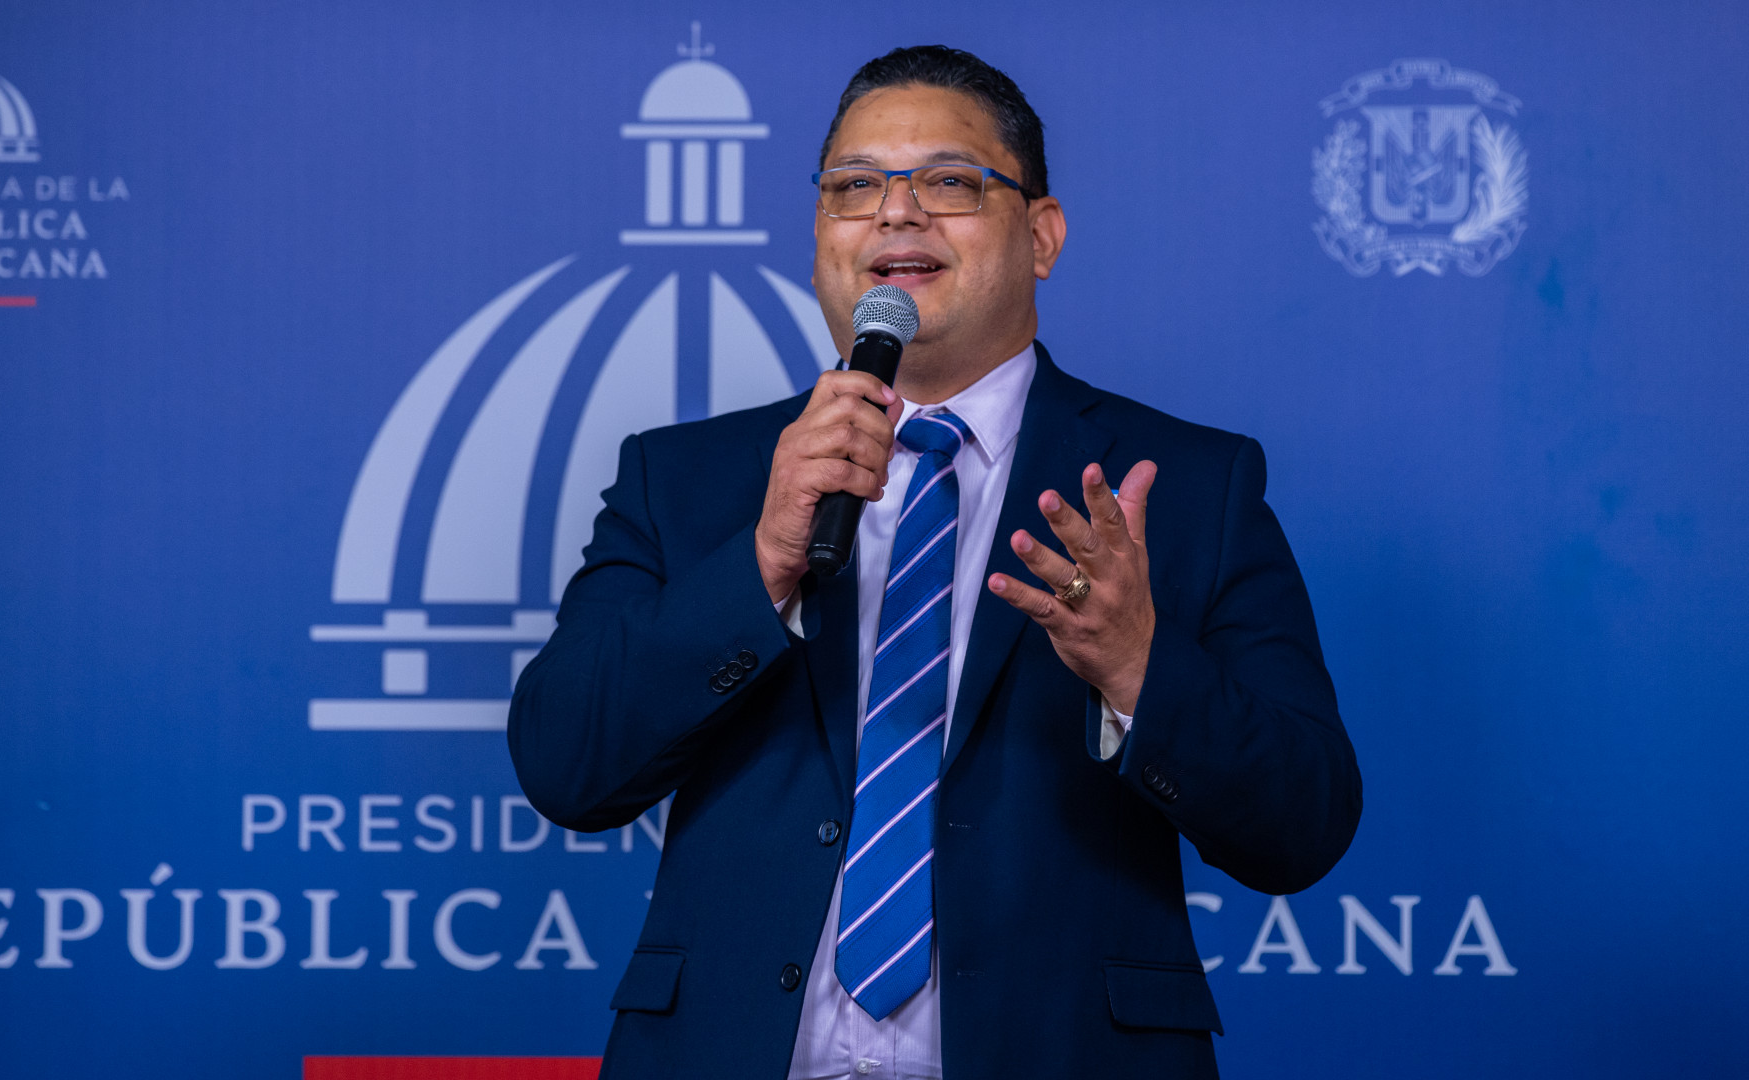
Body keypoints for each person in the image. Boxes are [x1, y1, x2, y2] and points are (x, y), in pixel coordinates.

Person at [509, 45, 1360, 1079]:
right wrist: (761, 564)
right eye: (854, 187)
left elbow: (1304, 824)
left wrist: (1140, 668)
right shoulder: (685, 479)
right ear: (820, 237)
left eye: (950, 183)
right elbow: (566, 765)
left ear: (1041, 236)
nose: (895, 215)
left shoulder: (1179, 484)